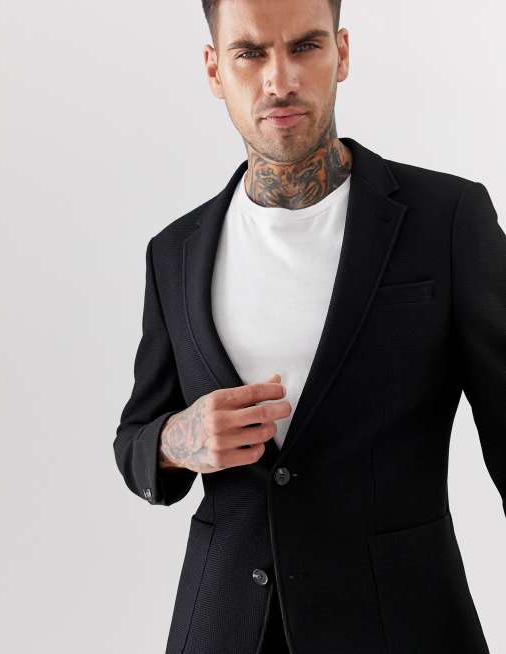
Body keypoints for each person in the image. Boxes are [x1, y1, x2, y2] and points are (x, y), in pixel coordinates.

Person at [113, 1, 505, 652]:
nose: (279, 79)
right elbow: (135, 437)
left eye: (304, 47)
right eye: (250, 54)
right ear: (214, 70)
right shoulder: (174, 252)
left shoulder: (447, 218)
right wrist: (175, 441)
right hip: (223, 626)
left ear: (341, 54)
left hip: (400, 623)